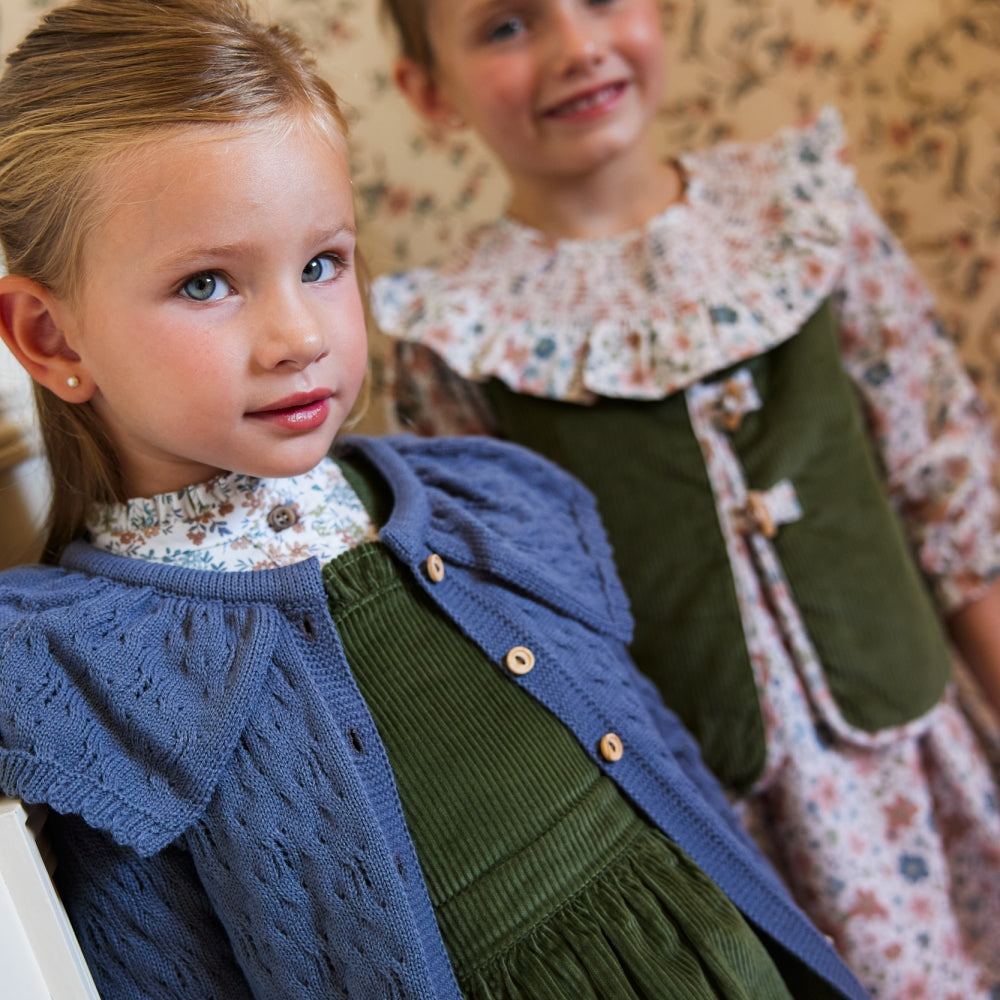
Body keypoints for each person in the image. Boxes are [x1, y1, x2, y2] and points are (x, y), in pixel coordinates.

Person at [0, 1, 873, 998]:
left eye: (322, 263)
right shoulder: (93, 679)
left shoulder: (486, 504)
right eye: (206, 284)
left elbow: (681, 793)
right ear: (52, 339)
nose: (299, 334)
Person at [370, 1, 1000, 997]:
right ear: (427, 91)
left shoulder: (802, 211)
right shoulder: (454, 337)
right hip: (719, 832)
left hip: (920, 775)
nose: (577, 47)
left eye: (602, 0)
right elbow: (523, 630)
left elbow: (950, 489)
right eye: (504, 26)